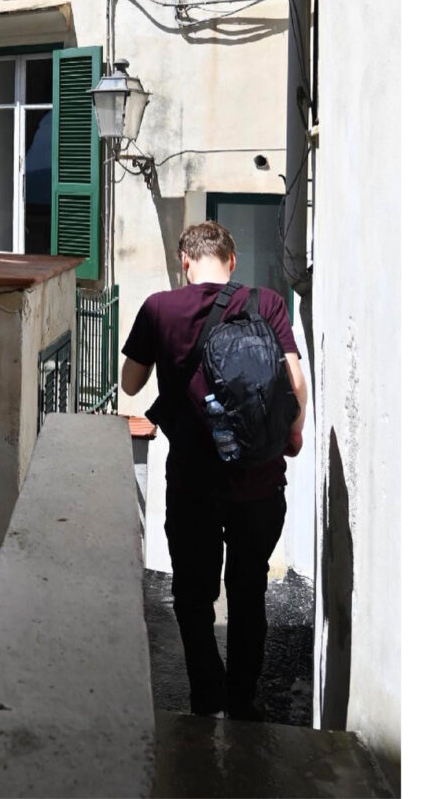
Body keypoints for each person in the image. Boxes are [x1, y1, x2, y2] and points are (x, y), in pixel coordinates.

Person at [121, 220, 307, 719]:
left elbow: (132, 384)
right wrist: (292, 435)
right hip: (259, 481)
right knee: (249, 593)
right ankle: (243, 700)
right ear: (233, 260)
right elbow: (295, 379)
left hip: (192, 485)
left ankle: (207, 692)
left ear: (185, 261)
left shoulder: (160, 308)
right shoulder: (266, 301)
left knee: (193, 595)